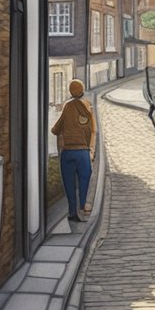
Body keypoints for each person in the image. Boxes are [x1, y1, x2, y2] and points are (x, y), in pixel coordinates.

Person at [51, 79, 96, 221]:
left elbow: (55, 129)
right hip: (83, 152)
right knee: (84, 179)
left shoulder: (67, 107)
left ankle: (72, 212)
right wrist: (91, 150)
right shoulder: (88, 106)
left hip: (68, 152)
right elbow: (93, 130)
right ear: (82, 90)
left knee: (69, 183)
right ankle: (82, 205)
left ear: (70, 91)